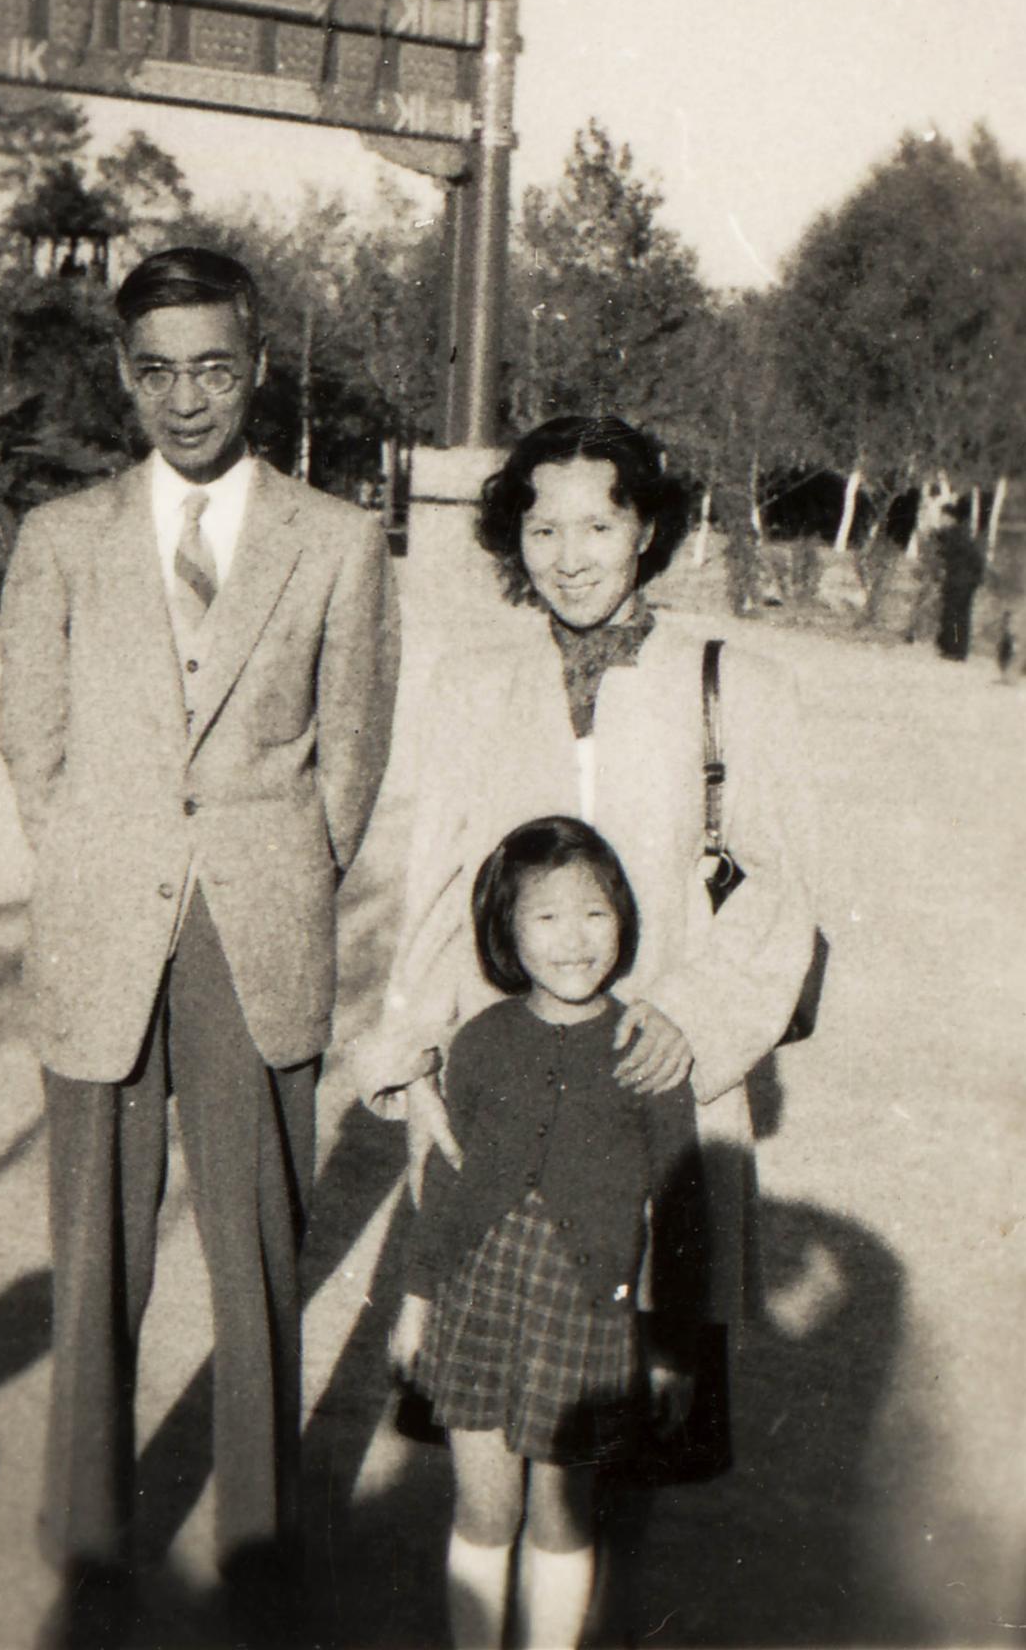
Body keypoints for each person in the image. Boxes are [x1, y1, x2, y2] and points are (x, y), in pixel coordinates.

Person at [0, 247, 399, 1633]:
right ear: (124, 375)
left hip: (257, 921)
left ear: (258, 368)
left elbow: (352, 754)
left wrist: (283, 869)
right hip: (101, 918)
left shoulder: (336, 539)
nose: (186, 400)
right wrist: (96, 857)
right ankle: (89, 1527)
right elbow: (33, 741)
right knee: (96, 1244)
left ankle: (259, 1535)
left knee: (257, 1244)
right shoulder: (62, 536)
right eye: (158, 371)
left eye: (214, 369)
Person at [356, 411, 815, 1479]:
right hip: (504, 1098)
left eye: (598, 526)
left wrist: (691, 1019)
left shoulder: (734, 686)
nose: (570, 557)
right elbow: (439, 887)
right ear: (513, 539)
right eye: (543, 529)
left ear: (646, 529)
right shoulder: (472, 684)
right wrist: (413, 1061)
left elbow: (779, 890)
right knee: (495, 1455)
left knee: (627, 1437)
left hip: (657, 1088)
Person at [389, 817, 707, 1650]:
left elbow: (681, 1215)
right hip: (477, 1304)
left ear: (625, 921)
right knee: (485, 1508)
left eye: (596, 913)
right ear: (507, 930)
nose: (575, 939)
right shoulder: (482, 1042)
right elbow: (445, 1182)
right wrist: (416, 1303)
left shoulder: (647, 1052)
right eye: (548, 916)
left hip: (586, 1318)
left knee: (563, 1518)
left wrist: (672, 1347)